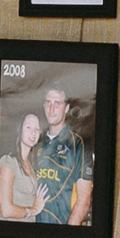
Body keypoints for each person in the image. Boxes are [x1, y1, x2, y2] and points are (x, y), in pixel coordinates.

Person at [33, 79, 93, 226]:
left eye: (57, 103)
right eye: (48, 102)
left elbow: (84, 199)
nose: (51, 108)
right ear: (43, 105)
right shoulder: (34, 141)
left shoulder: (78, 144)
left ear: (66, 108)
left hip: (60, 228)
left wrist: (66, 234)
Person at [0, 109, 43, 223]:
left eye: (37, 129)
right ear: (19, 129)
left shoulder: (31, 165)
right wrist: (33, 210)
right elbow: (6, 210)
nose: (33, 133)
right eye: (28, 127)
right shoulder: (8, 161)